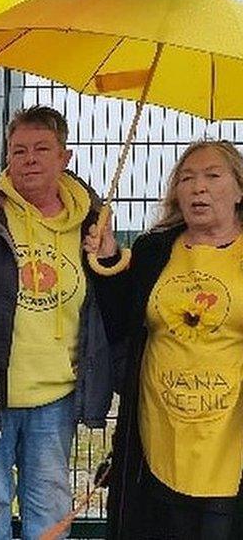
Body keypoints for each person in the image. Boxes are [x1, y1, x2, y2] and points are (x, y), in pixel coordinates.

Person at [0, 105, 114, 540]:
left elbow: (112, 301)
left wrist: (110, 255)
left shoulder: (90, 221)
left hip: (56, 394)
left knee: (50, 503)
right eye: (18, 150)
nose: (30, 159)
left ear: (66, 158)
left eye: (42, 149)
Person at [86, 141, 243, 540]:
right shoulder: (154, 249)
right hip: (161, 434)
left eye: (212, 176)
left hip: (228, 442)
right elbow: (122, 324)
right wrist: (106, 259)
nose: (197, 188)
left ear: (239, 189)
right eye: (187, 178)